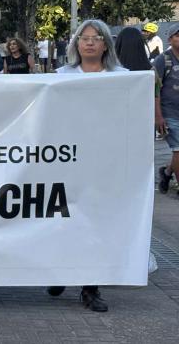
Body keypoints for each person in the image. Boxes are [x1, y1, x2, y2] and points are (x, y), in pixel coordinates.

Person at [47, 19, 125, 312]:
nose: (90, 43)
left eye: (96, 38)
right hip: (68, 161)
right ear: (76, 44)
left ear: (106, 44)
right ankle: (61, 271)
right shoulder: (60, 76)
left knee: (96, 223)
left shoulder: (122, 77)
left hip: (105, 164)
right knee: (65, 220)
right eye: (84, 38)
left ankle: (90, 287)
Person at [154, 24, 179, 194]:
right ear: (170, 39)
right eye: (177, 35)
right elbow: (155, 90)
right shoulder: (163, 60)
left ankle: (167, 172)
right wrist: (158, 117)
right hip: (169, 114)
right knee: (178, 150)